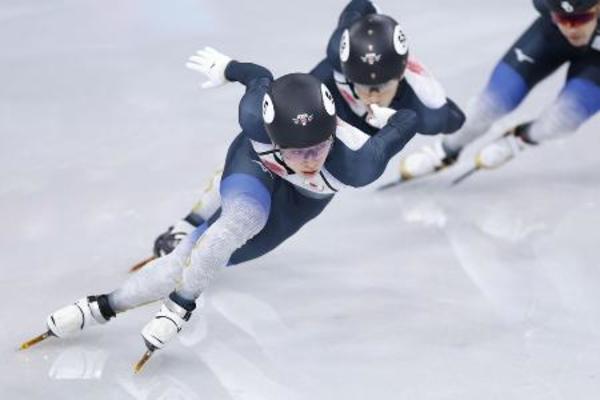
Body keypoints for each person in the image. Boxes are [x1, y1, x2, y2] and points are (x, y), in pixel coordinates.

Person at [22, 48, 419, 371]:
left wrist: (390, 117)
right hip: (255, 165)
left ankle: (110, 303)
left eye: (318, 146)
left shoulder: (357, 163)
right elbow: (258, 75)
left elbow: (408, 122)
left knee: (203, 258)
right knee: (234, 224)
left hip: (302, 202)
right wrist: (227, 68)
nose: (310, 159)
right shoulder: (255, 117)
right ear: (273, 134)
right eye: (297, 151)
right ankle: (137, 305)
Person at [152, 0, 465, 258]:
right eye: (359, 84)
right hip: (286, 126)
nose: (370, 95)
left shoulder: (421, 109)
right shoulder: (339, 49)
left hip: (319, 175)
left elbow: (454, 120)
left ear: (401, 75)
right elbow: (359, 5)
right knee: (239, 176)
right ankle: (189, 223)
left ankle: (197, 247)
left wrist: (426, 95)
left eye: (382, 86)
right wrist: (228, 68)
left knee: (240, 249)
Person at [400, 0, 600, 180]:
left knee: (564, 119)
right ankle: (446, 149)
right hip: (552, 35)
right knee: (491, 104)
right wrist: (569, 17)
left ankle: (521, 139)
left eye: (581, 18)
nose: (571, 28)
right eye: (562, 18)